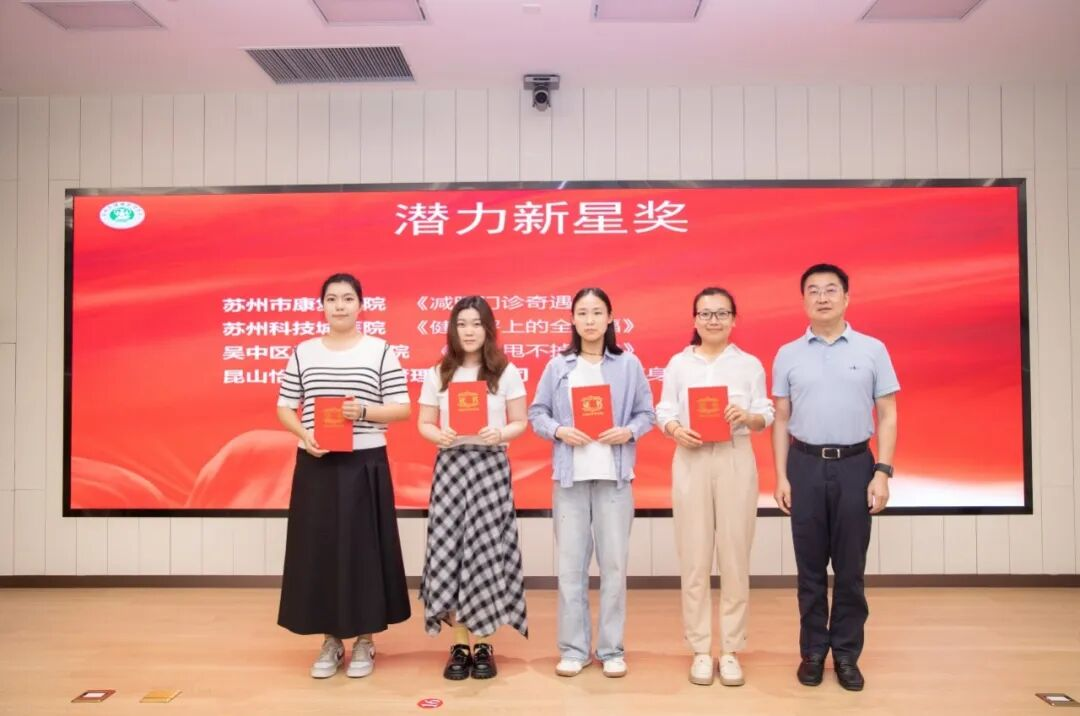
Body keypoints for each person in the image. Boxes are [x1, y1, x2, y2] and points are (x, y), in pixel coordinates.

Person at [275, 272, 412, 679]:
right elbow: (285, 406)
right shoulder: (303, 352)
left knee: (364, 552)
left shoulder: (380, 351)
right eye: (332, 298)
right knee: (321, 551)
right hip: (317, 463)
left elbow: (403, 407)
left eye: (347, 298)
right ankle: (331, 640)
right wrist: (304, 435)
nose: (339, 306)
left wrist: (364, 411)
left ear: (360, 305)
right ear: (322, 306)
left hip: (365, 463)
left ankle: (366, 639)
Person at [771, 263, 898, 692]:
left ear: (846, 297)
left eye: (830, 289)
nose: (822, 297)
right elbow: (781, 418)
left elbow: (888, 415)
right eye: (813, 290)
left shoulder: (872, 349)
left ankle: (845, 653)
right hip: (804, 465)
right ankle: (812, 652)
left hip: (856, 465)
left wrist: (882, 472)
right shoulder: (788, 353)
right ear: (803, 300)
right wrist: (781, 476)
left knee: (850, 568)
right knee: (809, 568)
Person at [528, 287, 655, 679]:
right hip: (570, 481)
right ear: (572, 319)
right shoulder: (558, 366)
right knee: (570, 569)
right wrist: (559, 430)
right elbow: (537, 413)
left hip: (614, 480)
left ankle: (612, 649)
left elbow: (647, 414)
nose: (589, 320)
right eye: (582, 313)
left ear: (610, 318)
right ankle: (574, 649)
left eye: (597, 312)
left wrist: (628, 432)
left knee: (614, 568)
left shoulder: (628, 365)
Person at [656, 287, 773, 687]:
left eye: (721, 313)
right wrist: (675, 429)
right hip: (690, 459)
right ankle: (701, 650)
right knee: (694, 557)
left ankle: (732, 650)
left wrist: (748, 417)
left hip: (734, 457)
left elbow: (765, 412)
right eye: (705, 314)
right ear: (694, 320)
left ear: (734, 319)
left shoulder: (749, 364)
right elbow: (664, 410)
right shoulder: (678, 364)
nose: (713, 320)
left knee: (735, 556)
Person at [416, 296, 529, 681]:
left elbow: (520, 421)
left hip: (490, 469)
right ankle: (459, 644)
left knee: (484, 553)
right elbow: (424, 423)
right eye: (462, 323)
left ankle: (484, 643)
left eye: (476, 324)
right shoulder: (438, 373)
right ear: (453, 329)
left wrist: (501, 432)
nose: (469, 331)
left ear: (488, 329)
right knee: (451, 551)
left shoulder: (505, 371)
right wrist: (439, 435)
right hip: (451, 468)